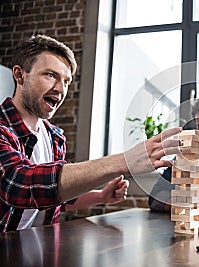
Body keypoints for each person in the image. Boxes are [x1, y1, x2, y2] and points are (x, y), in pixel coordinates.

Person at [0, 34, 181, 232]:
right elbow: (19, 185)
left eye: (66, 81)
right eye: (50, 75)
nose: (60, 89)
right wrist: (123, 161)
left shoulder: (54, 136)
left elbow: (52, 194)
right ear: (20, 75)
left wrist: (100, 196)